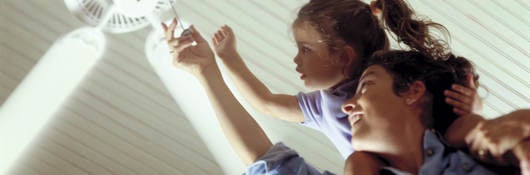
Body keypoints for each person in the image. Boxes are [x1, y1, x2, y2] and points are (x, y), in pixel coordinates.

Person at [162, 20, 529, 174]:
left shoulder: (476, 148)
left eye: (366, 85)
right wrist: (206, 71)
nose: (348, 104)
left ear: (414, 92)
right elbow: (265, 159)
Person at [210, 0, 481, 160]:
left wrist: (472, 109)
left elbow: (449, 103)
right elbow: (266, 103)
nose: (296, 60)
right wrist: (229, 58)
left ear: (343, 56)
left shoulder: (390, 83)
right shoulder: (325, 105)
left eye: (305, 50)